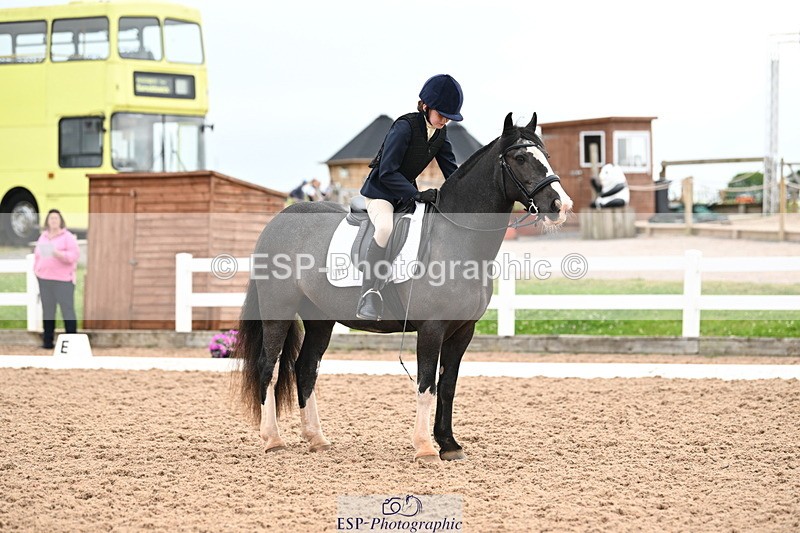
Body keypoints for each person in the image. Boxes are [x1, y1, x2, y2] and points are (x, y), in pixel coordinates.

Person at [356, 74, 463, 320]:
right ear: (425, 106)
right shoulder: (404, 127)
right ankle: (368, 292)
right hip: (381, 192)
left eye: (449, 116)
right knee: (384, 229)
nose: (445, 120)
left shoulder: (439, 134)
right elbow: (387, 171)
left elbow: (452, 171)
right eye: (442, 114)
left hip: (406, 196)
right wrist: (416, 193)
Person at [33, 209, 80, 349]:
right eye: (51, 218)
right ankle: (47, 341)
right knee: (48, 310)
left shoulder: (67, 237)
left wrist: (57, 253)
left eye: (56, 218)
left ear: (60, 221)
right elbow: (37, 255)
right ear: (47, 220)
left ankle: (71, 342)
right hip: (45, 279)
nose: (53, 221)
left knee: (67, 310)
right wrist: (37, 270)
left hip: (63, 280)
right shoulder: (43, 237)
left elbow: (73, 256)